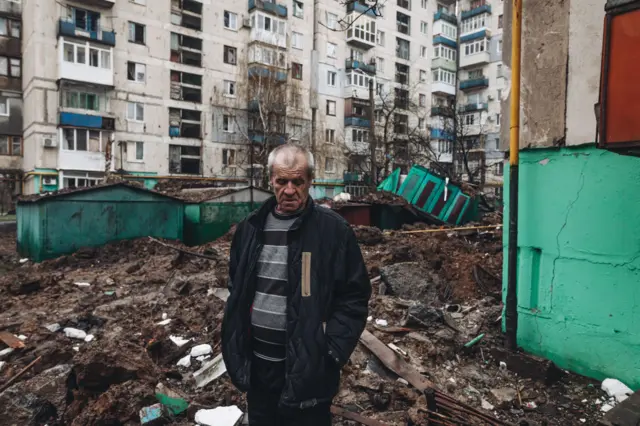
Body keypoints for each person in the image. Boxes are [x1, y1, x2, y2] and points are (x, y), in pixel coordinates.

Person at [221, 144, 371, 426]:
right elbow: (236, 289)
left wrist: (330, 352)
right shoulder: (250, 229)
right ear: (271, 181)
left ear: (310, 182)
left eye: (298, 182)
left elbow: (354, 296)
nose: (289, 190)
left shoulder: (332, 231)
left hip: (309, 374)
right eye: (282, 181)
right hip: (259, 371)